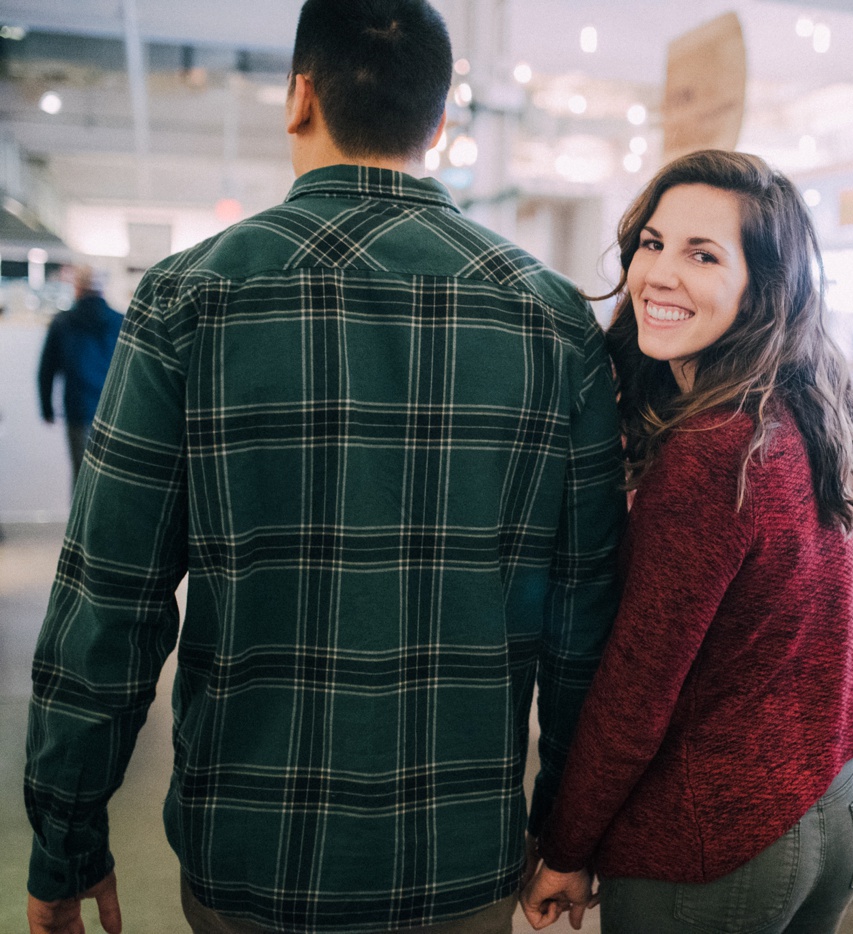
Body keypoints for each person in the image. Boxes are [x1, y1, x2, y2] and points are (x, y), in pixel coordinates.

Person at [23, 1, 624, 932]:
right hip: (456, 854)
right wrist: (567, 834)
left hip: (251, 850)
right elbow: (584, 619)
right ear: (440, 121)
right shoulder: (553, 321)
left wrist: (65, 838)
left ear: (298, 96)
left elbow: (110, 599)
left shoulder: (191, 299)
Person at [519, 150, 853, 934]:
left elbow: (635, 697)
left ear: (763, 286)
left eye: (703, 254)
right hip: (833, 804)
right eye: (652, 244)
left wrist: (566, 848)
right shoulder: (797, 405)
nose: (659, 274)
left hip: (715, 841)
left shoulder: (713, 453)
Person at [36, 264, 123, 486]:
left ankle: (80, 521)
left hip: (78, 408)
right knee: (113, 477)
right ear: (103, 289)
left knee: (82, 477)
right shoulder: (121, 321)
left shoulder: (62, 322)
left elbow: (47, 369)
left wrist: (47, 409)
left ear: (77, 288)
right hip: (116, 412)